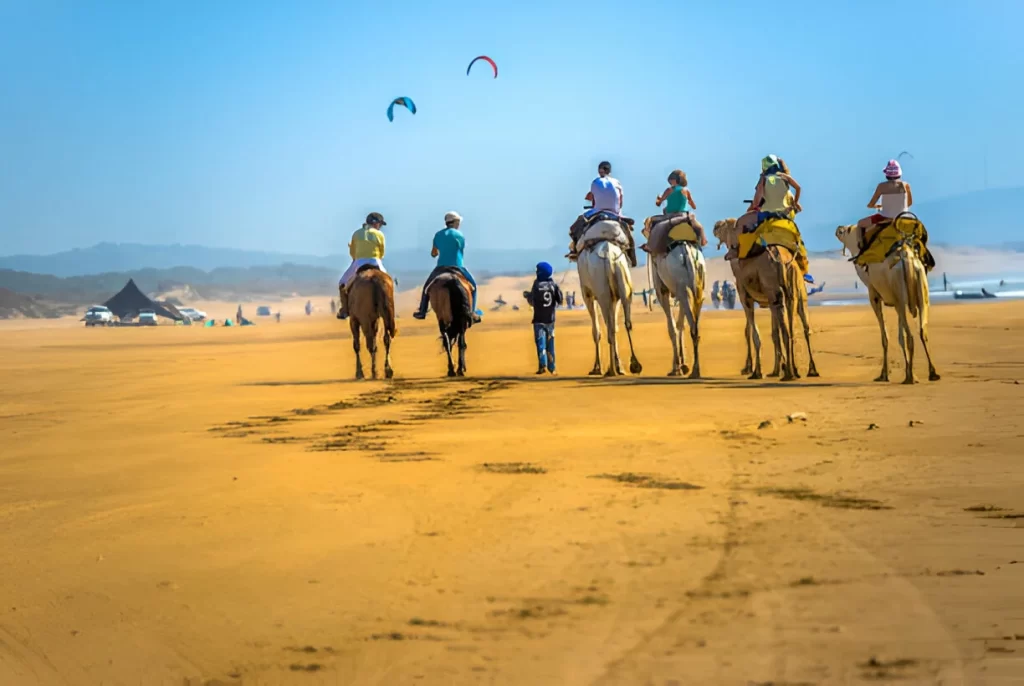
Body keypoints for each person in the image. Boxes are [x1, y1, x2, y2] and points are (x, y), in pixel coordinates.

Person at [412, 211, 483, 322]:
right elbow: (460, 249)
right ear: (455, 222)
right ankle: (472, 312)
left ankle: (422, 311)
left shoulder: (438, 235)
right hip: (458, 266)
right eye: (458, 222)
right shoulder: (459, 235)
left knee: (426, 288)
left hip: (441, 267)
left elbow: (433, 253)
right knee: (473, 287)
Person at [568, 161, 637, 266]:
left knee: (576, 227)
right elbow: (621, 202)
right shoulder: (617, 183)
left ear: (599, 171)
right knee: (628, 230)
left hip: (597, 211)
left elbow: (593, 200)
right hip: (615, 213)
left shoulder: (595, 182)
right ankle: (631, 254)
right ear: (609, 171)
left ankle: (574, 250)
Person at [643, 170, 708, 255]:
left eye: (671, 179)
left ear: (675, 180)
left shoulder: (669, 190)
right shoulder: (686, 191)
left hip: (671, 216)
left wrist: (658, 199)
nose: (670, 182)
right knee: (699, 227)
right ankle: (703, 241)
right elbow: (693, 206)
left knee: (653, 222)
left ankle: (650, 246)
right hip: (685, 215)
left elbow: (658, 203)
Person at [337, 212, 388, 320]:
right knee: (388, 282)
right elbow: (382, 252)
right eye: (380, 224)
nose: (380, 227)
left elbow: (352, 253)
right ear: (375, 224)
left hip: (359, 262)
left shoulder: (356, 234)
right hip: (376, 262)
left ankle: (345, 310)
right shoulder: (379, 235)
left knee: (342, 283)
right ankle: (389, 307)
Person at [522, 262, 563, 375]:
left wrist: (527, 296)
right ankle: (552, 368)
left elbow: (532, 301)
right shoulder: (553, 285)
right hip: (551, 320)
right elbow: (560, 300)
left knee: (541, 344)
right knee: (551, 344)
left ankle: (542, 366)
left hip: (539, 321)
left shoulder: (536, 284)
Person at [856, 159, 914, 233]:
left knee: (860, 223)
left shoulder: (881, 186)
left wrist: (878, 206)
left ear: (887, 174)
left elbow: (871, 204)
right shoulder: (906, 185)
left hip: (885, 218)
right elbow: (909, 203)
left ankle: (862, 244)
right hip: (903, 217)